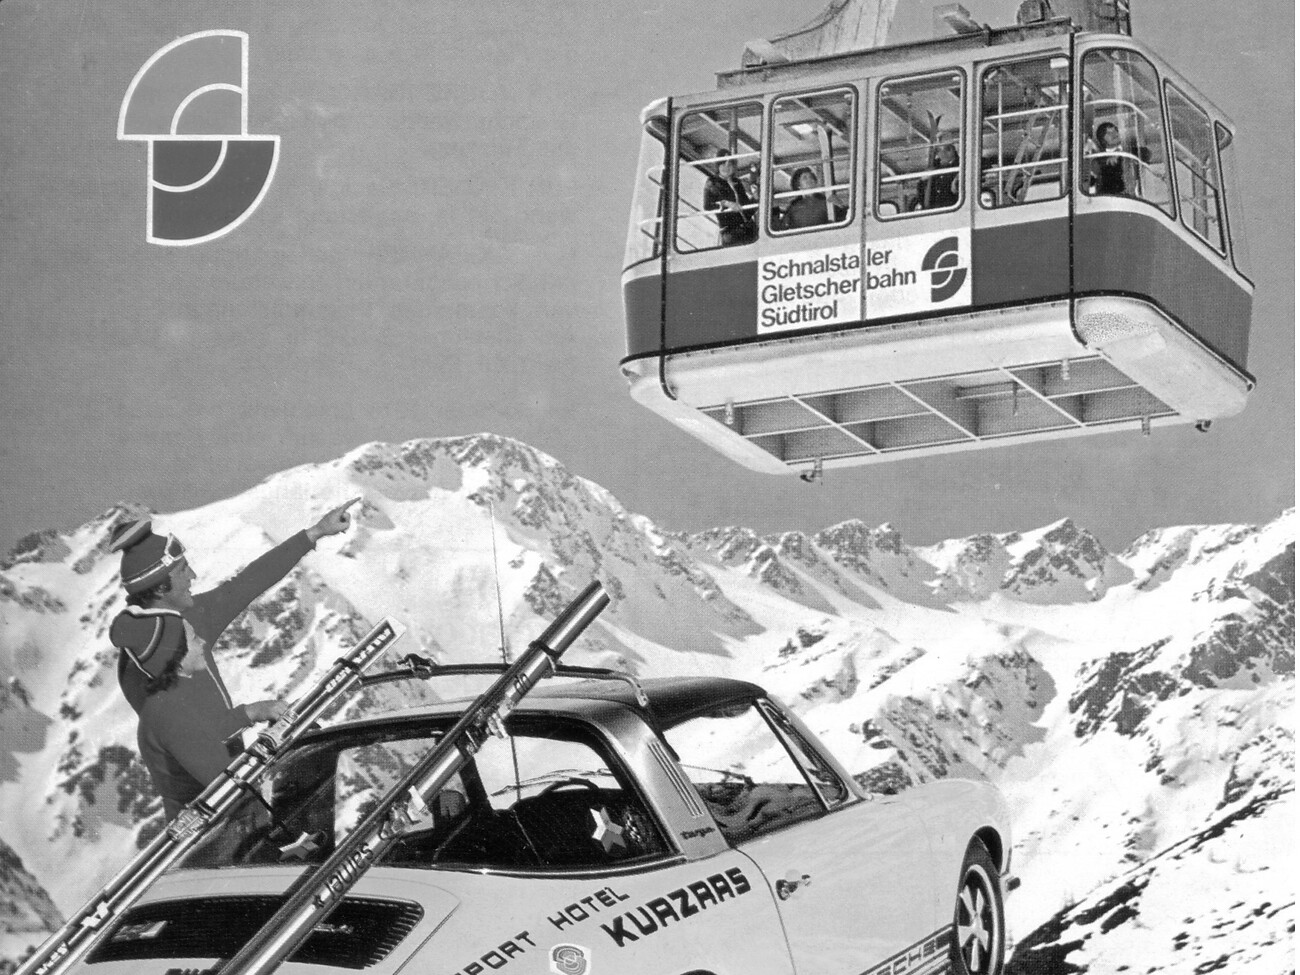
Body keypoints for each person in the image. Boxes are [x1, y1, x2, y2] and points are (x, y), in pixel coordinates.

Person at [107, 498, 359, 820]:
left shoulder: (183, 623)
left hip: (233, 778)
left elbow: (246, 584)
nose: (193, 575)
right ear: (160, 588)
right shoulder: (152, 662)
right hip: (211, 806)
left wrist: (315, 532)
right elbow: (187, 739)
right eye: (183, 570)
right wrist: (251, 719)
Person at [702, 149, 756, 246]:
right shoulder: (712, 182)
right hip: (730, 233)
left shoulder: (737, 182)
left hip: (748, 229)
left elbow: (747, 210)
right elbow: (707, 206)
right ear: (718, 166)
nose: (726, 167)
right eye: (723, 164)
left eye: (730, 164)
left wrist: (755, 198)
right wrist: (726, 204)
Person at [779, 167, 843, 230]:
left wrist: (840, 205)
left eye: (811, 177)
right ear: (798, 185)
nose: (809, 180)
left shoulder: (826, 200)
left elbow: (842, 217)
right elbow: (784, 226)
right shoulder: (793, 206)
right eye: (805, 178)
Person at [915, 143, 960, 210]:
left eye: (947, 149)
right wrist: (922, 181)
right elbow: (921, 192)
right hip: (933, 209)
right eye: (938, 151)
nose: (942, 153)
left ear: (952, 150)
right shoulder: (934, 167)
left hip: (951, 209)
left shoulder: (960, 166)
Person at [1088, 122, 1127, 195]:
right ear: (1102, 140)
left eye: (1115, 130)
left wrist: (1119, 153)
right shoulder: (1098, 161)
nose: (1114, 134)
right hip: (1108, 198)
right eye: (1109, 133)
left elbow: (1146, 154)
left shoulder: (1129, 150)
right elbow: (1090, 183)